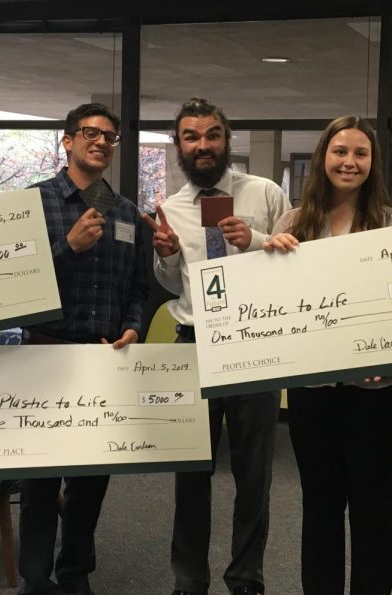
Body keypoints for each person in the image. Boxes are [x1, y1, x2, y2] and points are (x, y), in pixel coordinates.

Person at [144, 97, 291, 595]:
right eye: (191, 136)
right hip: (194, 345)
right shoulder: (170, 207)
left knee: (254, 477)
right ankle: (190, 578)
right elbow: (173, 286)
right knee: (192, 472)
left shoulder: (266, 193)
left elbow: (295, 261)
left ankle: (246, 577)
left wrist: (256, 237)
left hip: (255, 341)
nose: (202, 145)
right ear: (180, 145)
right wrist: (164, 259)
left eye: (211, 135)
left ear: (227, 140)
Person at [263, 116, 392, 594]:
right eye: (340, 151)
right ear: (323, 157)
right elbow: (273, 305)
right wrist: (269, 256)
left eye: (360, 154)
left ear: (373, 163)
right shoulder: (292, 222)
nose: (349, 162)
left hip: (380, 391)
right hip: (313, 392)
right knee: (320, 504)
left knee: (372, 506)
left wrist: (387, 360)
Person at [18, 103, 148, 595]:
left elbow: (138, 287)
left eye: (109, 137)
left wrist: (134, 328)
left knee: (90, 483)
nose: (100, 142)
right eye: (90, 133)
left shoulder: (127, 212)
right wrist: (66, 247)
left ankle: (74, 575)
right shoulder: (33, 203)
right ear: (67, 141)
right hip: (44, 358)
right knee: (39, 480)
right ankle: (34, 578)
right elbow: (14, 284)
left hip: (103, 360)